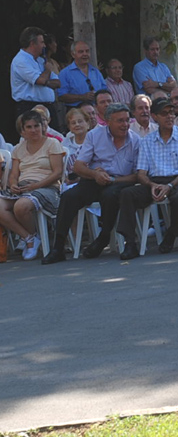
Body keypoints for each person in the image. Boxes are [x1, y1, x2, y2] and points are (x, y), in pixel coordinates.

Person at [42, 103, 142, 263]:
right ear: (108, 121)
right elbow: (78, 166)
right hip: (94, 179)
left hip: (121, 181)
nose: (124, 125)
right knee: (69, 196)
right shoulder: (95, 135)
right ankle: (58, 247)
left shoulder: (135, 140)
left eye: (126, 120)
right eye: (119, 121)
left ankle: (104, 237)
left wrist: (113, 179)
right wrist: (95, 174)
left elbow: (138, 175)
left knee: (111, 195)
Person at [115, 97, 178, 258]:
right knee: (127, 194)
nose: (169, 117)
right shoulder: (147, 141)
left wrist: (170, 186)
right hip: (154, 181)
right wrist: (152, 185)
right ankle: (130, 243)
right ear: (155, 116)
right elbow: (141, 173)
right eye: (164, 113)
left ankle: (172, 233)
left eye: (171, 113)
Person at [0, 110, 65, 260]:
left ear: (43, 126)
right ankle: (30, 238)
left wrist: (36, 186)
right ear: (22, 131)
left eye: (37, 126)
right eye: (29, 127)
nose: (34, 130)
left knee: (21, 206)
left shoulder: (52, 143)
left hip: (47, 187)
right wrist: (13, 184)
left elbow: (57, 172)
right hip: (24, 187)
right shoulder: (18, 149)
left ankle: (31, 240)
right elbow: (14, 174)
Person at [10, 27, 59, 117]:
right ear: (32, 43)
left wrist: (46, 81)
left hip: (48, 107)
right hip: (30, 108)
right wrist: (47, 70)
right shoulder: (20, 61)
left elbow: (58, 83)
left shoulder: (41, 60)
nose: (44, 46)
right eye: (42, 42)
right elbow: (40, 80)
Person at [57, 41, 107, 110]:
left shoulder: (95, 72)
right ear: (73, 54)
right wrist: (82, 97)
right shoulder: (65, 73)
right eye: (81, 52)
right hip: (76, 112)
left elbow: (105, 90)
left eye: (87, 51)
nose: (85, 54)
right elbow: (61, 96)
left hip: (96, 111)